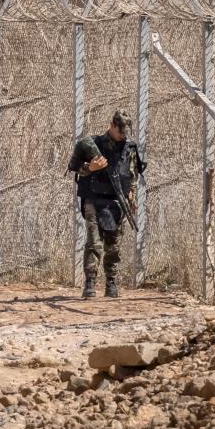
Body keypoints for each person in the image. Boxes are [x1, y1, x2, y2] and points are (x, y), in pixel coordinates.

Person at [67, 110, 146, 298]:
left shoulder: (129, 148)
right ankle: (90, 282)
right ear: (111, 125)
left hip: (116, 201)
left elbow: (132, 173)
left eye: (125, 134)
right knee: (94, 243)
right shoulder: (92, 144)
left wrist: (131, 193)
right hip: (94, 199)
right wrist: (90, 167)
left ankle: (111, 282)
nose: (122, 137)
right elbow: (74, 167)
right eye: (120, 133)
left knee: (114, 244)